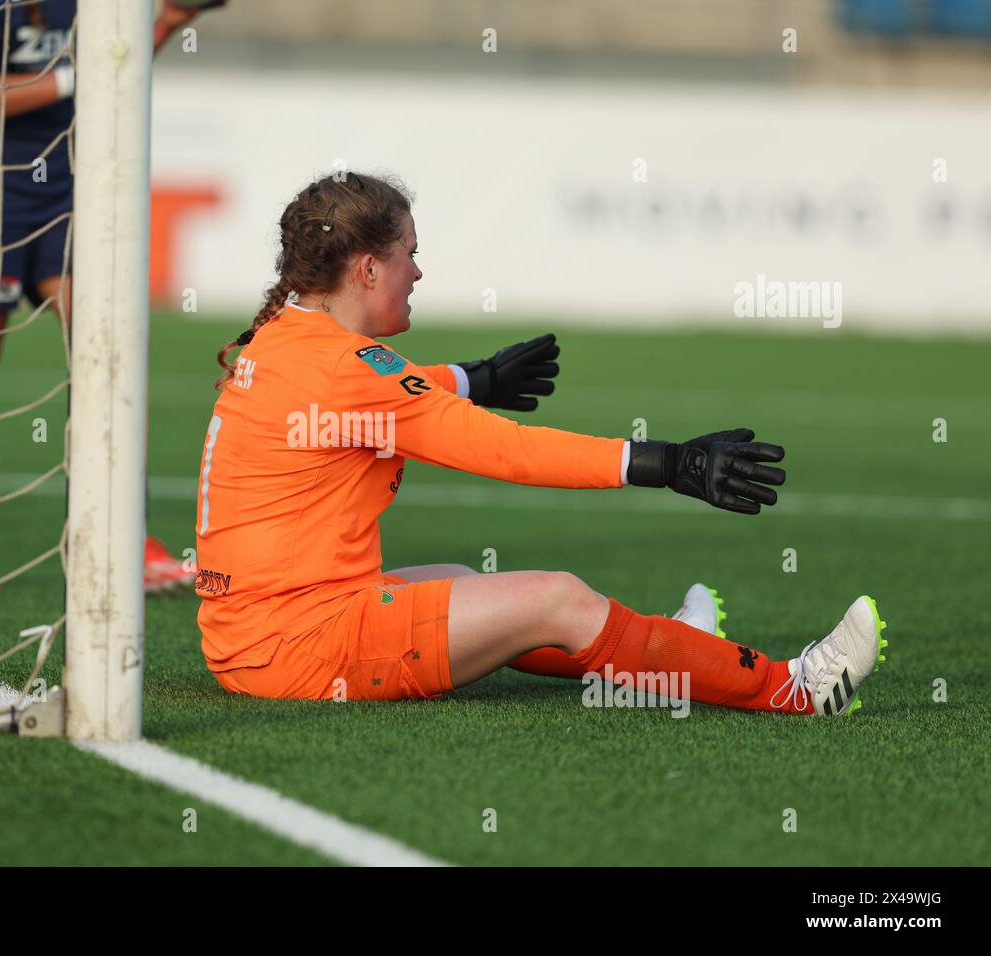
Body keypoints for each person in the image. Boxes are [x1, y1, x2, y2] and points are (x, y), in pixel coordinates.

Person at [192, 172, 888, 715]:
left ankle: (677, 651)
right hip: (297, 649)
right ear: (368, 270)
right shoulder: (344, 369)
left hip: (251, 634)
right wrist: (665, 463)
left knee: (463, 582)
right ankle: (793, 688)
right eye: (410, 254)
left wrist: (476, 377)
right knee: (557, 598)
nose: (419, 273)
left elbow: (374, 396)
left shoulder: (287, 339)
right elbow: (504, 451)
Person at [0, 0, 222, 594]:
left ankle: (116, 539)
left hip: (66, 187)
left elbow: (118, 67)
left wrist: (172, 18)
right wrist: (81, 75)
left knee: (107, 352)